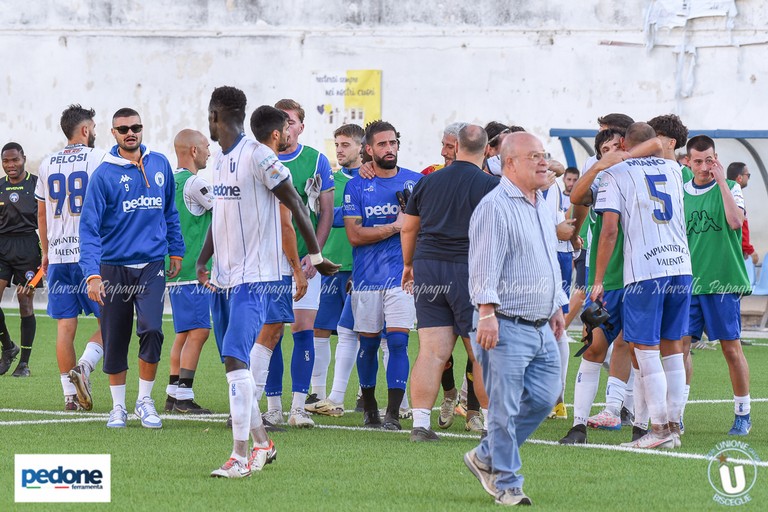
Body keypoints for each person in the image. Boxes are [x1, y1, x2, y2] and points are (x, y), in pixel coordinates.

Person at [198, 88, 338, 478]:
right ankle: (263, 442)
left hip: (256, 279)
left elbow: (294, 203)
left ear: (215, 117)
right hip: (226, 278)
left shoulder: (259, 155)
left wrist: (315, 256)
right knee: (232, 365)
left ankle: (240, 456)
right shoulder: (219, 159)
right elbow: (219, 214)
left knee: (235, 358)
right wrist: (202, 259)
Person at [464, 132, 565, 506]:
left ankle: (485, 455)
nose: (544, 162)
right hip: (504, 324)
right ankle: (507, 483)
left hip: (541, 325)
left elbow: (546, 259)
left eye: (544, 155)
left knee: (542, 399)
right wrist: (487, 313)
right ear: (510, 164)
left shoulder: (539, 202)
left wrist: (555, 306)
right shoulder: (495, 207)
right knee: (503, 409)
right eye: (534, 156)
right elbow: (483, 267)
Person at [79, 108, 184, 429]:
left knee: (152, 329)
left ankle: (145, 400)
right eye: (123, 128)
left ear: (142, 128)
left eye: (135, 127)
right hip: (114, 269)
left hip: (152, 266)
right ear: (113, 133)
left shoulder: (160, 164)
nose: (130, 133)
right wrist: (92, 274)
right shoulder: (104, 175)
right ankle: (119, 407)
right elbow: (88, 228)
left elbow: (170, 212)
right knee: (115, 337)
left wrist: (176, 249)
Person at [592, 122, 692, 450]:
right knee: (672, 347)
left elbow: (609, 232)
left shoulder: (615, 174)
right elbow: (658, 148)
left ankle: (660, 428)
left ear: (622, 142)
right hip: (680, 266)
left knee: (645, 350)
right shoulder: (675, 169)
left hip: (645, 271)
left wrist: (598, 279)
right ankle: (674, 425)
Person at [403, 124, 497, 441]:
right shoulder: (490, 185)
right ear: (485, 150)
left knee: (431, 352)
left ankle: (420, 424)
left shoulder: (428, 181)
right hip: (467, 270)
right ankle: (491, 424)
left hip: (428, 267)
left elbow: (408, 228)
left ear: (456, 147)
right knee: (481, 353)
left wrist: (408, 264)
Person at [343, 120, 422, 430]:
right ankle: (370, 406)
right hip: (366, 278)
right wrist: (395, 226)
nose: (389, 149)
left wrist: (413, 226)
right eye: (382, 145)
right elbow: (354, 235)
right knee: (369, 345)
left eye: (393, 143)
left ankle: (392, 413)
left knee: (400, 342)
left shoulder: (416, 182)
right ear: (369, 149)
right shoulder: (357, 185)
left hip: (403, 278)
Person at [262, 99, 335, 427]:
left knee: (304, 328)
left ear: (301, 127)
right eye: (281, 122)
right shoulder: (261, 157)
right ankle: (273, 406)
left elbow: (326, 210)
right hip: (269, 260)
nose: (285, 128)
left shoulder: (316, 160)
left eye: (290, 122)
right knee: (272, 331)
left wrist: (313, 253)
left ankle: (298, 408)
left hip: (306, 259)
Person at [35, 104, 105, 409]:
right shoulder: (99, 158)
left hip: (59, 255)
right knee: (114, 322)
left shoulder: (47, 162)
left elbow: (41, 212)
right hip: (91, 256)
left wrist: (46, 252)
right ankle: (85, 367)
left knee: (65, 326)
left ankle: (69, 396)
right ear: (86, 129)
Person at [683, 136, 752, 435]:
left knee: (731, 350)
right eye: (697, 161)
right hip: (688, 283)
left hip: (722, 281)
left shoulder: (733, 188)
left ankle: (742, 414)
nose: (703, 166)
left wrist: (722, 182)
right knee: (679, 348)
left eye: (708, 160)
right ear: (687, 162)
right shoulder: (681, 190)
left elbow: (736, 222)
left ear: (716, 158)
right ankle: (676, 413)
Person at [306, 123, 363, 415]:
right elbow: (319, 218)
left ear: (361, 148)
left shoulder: (371, 181)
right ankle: (317, 392)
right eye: (337, 145)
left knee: (365, 331)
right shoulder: (329, 181)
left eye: (345, 145)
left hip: (361, 268)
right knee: (320, 328)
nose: (339, 150)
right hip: (330, 266)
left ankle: (363, 392)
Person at [164, 129, 214, 415]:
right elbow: (225, 212)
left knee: (183, 332)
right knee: (199, 330)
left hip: (176, 269)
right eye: (206, 147)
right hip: (195, 270)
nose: (209, 152)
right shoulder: (195, 183)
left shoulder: (169, 181)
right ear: (194, 151)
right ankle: (184, 395)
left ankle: (173, 393)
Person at [0, 142, 41, 377]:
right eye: (6, 161)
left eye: (14, 160)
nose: (10, 165)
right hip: (2, 247)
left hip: (28, 248)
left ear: (23, 158)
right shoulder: (0, 186)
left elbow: (45, 220)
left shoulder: (36, 185)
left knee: (25, 302)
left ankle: (24, 363)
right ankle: (8, 347)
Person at [727, 162, 759, 266]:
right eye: (748, 175)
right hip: (736, 249)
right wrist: (749, 249)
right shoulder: (736, 198)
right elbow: (740, 225)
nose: (748, 178)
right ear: (740, 178)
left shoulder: (725, 193)